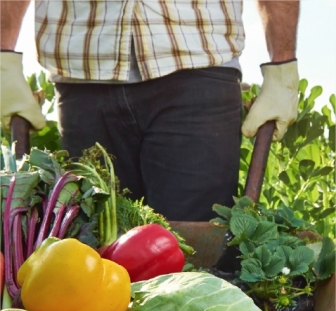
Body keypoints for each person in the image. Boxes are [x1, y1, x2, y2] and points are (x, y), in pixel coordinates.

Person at [1, 0, 300, 221]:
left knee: (193, 258)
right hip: (83, 71)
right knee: (93, 244)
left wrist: (282, 64)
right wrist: (3, 57)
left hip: (198, 67)